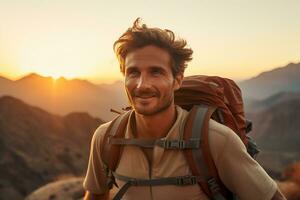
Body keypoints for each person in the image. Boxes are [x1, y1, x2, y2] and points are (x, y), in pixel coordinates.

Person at [83, 18, 286, 200]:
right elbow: (95, 196)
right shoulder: (106, 138)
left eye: (156, 72)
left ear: (177, 80)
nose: (142, 85)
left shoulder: (215, 140)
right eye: (133, 72)